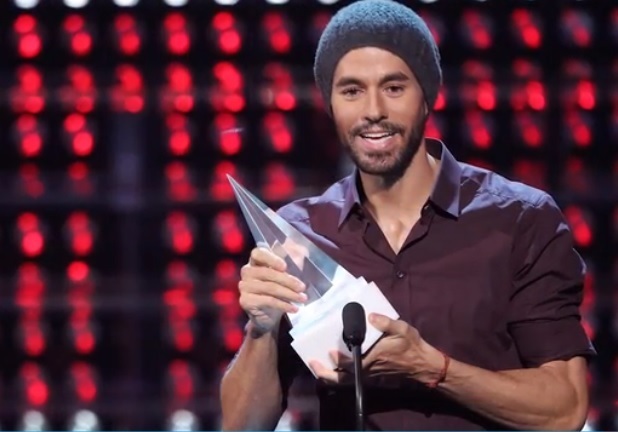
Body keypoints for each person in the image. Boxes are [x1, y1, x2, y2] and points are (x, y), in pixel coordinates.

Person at [219, 0, 596, 430]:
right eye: (351, 91)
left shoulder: (520, 220)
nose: (373, 110)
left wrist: (429, 367)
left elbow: (564, 410)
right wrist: (261, 330)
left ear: (427, 97)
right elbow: (243, 427)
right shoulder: (301, 234)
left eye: (394, 88)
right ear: (331, 104)